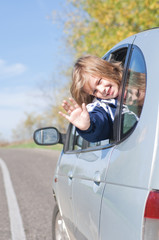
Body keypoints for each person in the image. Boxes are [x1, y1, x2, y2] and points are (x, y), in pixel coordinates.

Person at [59, 55, 123, 142]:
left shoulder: (137, 76)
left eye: (99, 81)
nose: (101, 90)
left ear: (108, 69)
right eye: (95, 91)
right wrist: (89, 126)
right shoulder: (102, 107)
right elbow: (99, 120)